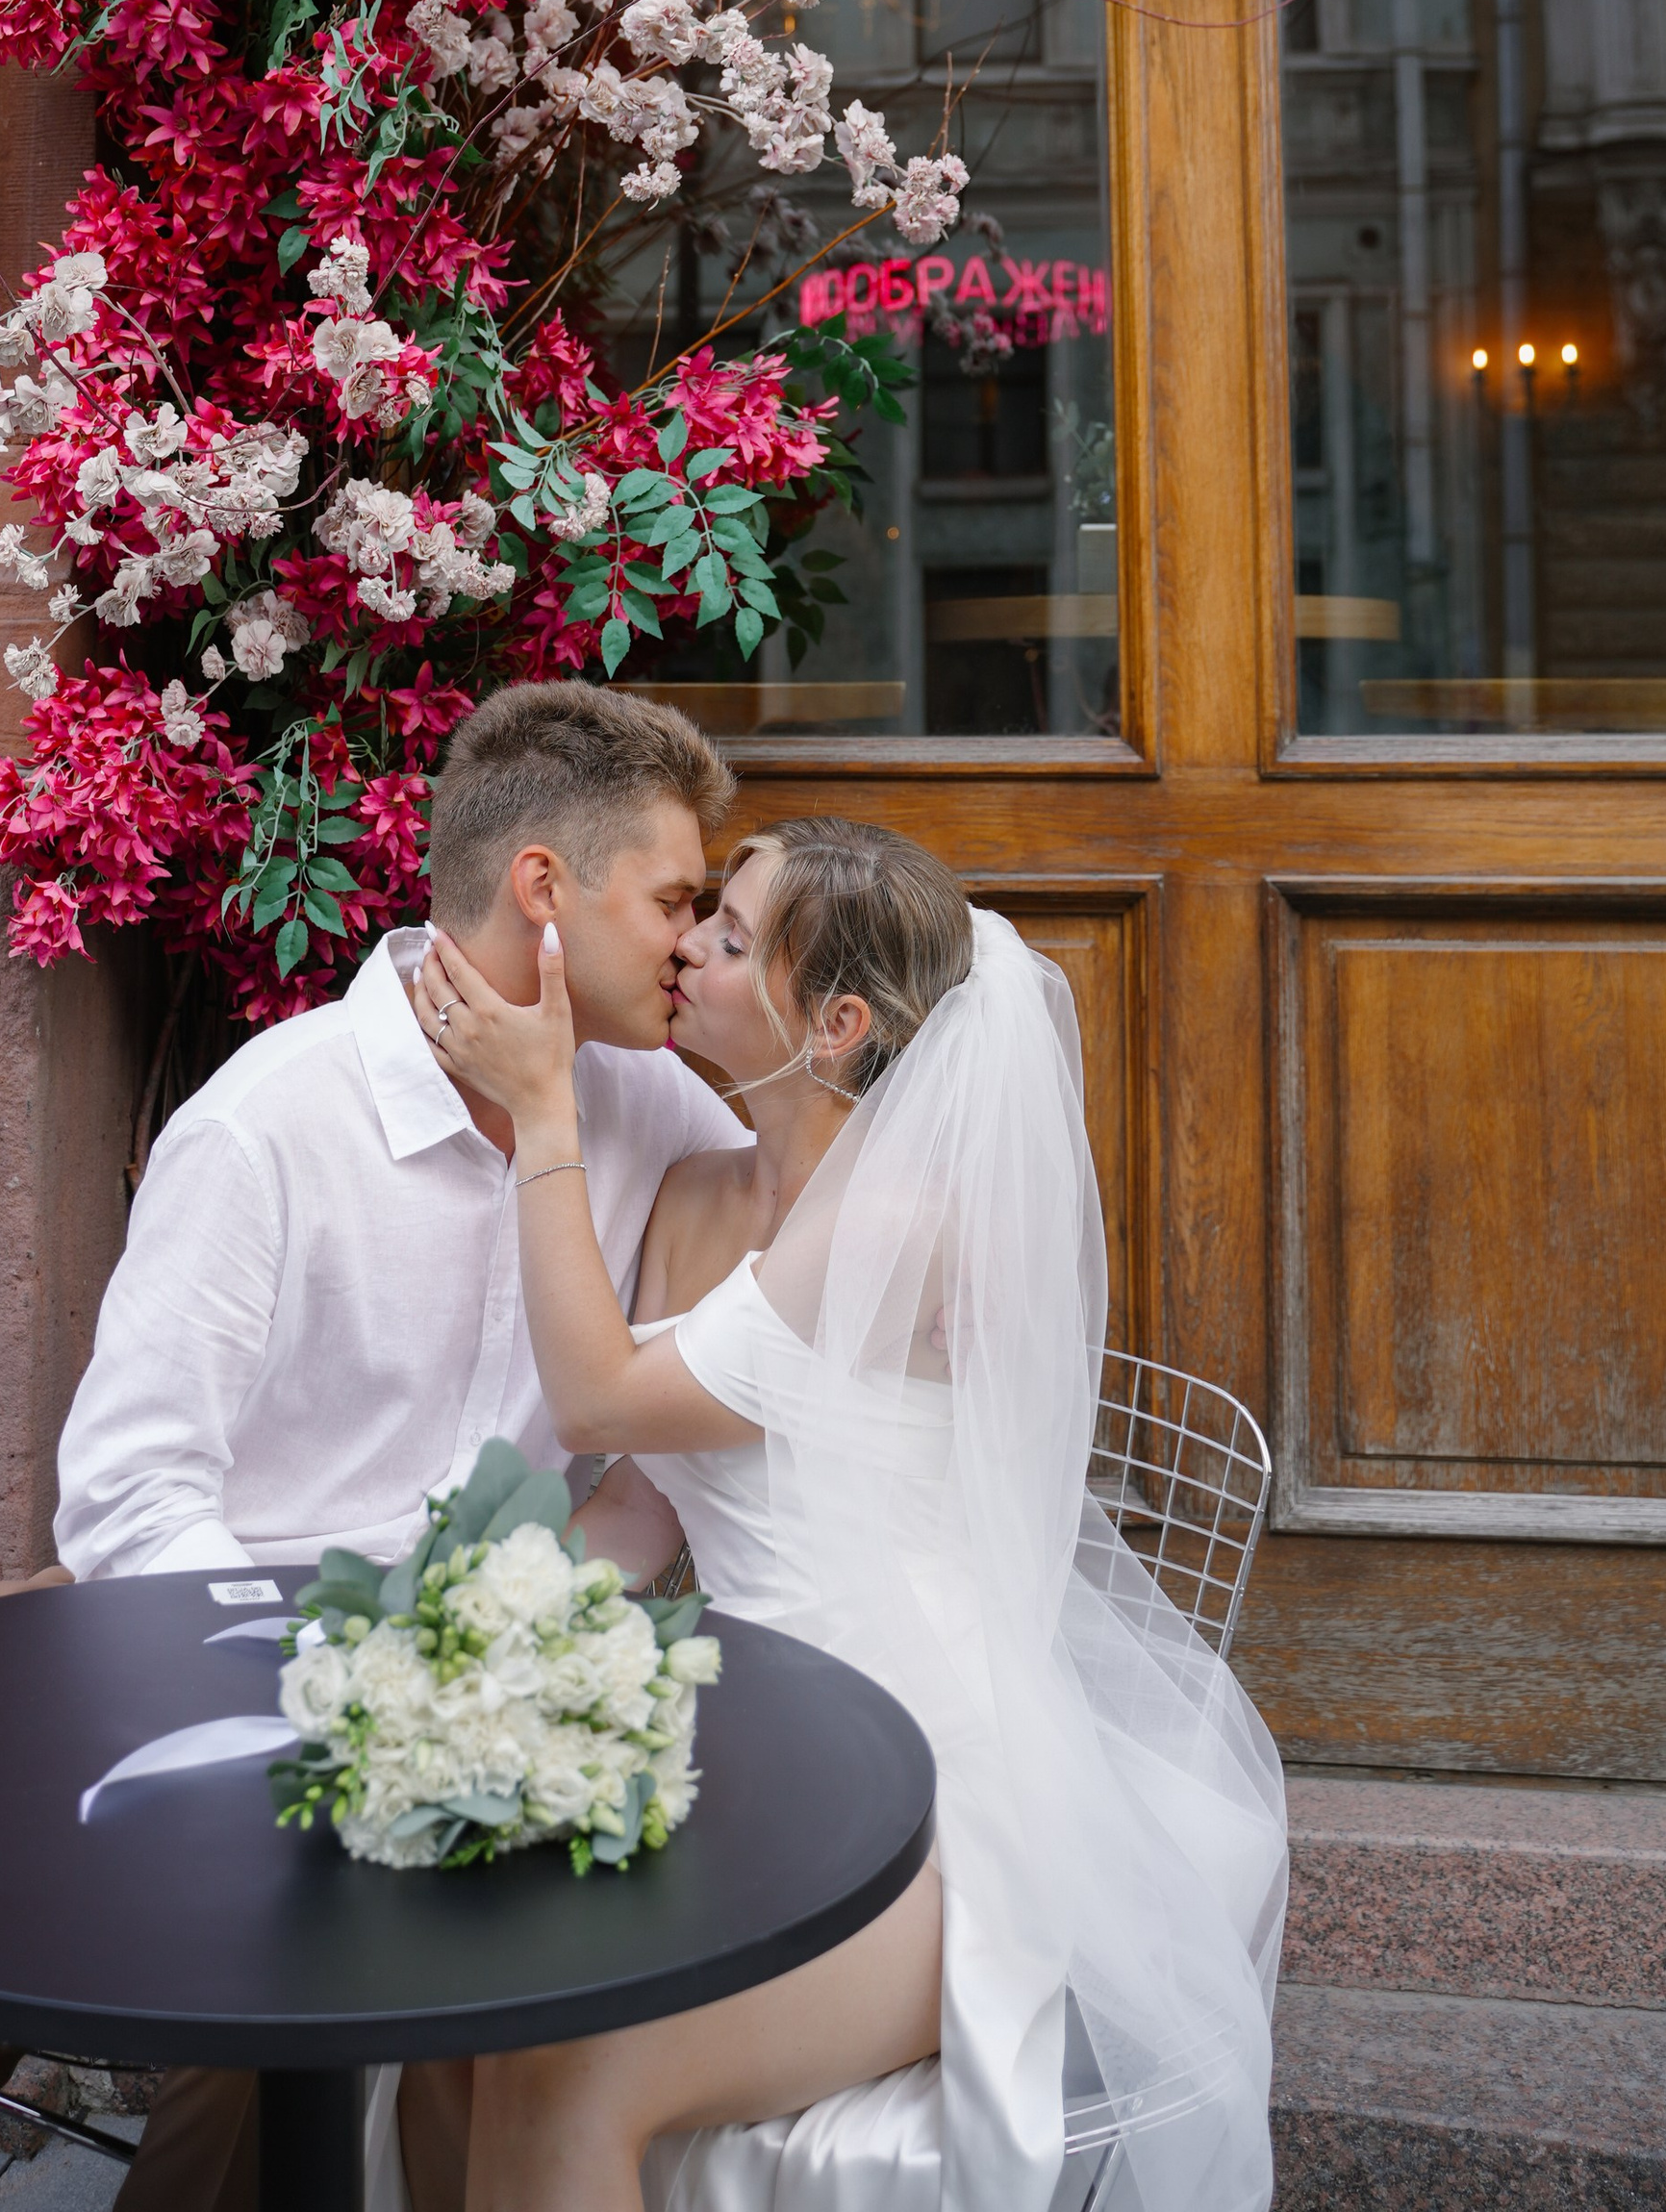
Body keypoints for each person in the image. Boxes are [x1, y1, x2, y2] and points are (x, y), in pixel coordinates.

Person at [0, 682, 751, 2212]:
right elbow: (130, 1492)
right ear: (544, 889)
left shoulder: (646, 1107)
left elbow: (797, 1252)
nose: (690, 939)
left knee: (277, 2042)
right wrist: (310, 1689)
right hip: (177, 1645)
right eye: (674, 900)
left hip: (447, 1701)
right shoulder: (268, 1126)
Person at [405, 817, 1288, 2212]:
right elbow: (636, 1508)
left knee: (562, 2076)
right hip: (735, 1751)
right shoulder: (694, 1196)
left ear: (835, 1025)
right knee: (446, 2021)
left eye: (730, 939)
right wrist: (443, 1650)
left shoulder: (900, 1218)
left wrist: (545, 1112)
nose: (687, 949)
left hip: (922, 1796)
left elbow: (597, 1402)